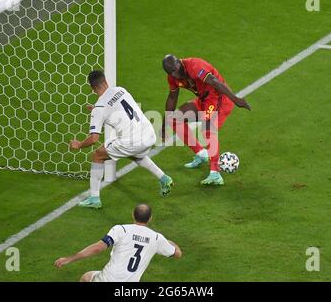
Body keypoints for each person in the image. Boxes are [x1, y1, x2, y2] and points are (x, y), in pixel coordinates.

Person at [70, 70, 173, 209]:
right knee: (134, 153)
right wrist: (96, 110)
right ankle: (164, 178)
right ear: (105, 81)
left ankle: (94, 198)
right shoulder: (120, 90)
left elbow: (94, 139)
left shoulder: (100, 108)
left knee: (97, 155)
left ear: (92, 89)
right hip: (149, 134)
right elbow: (117, 108)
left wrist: (79, 144)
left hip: (132, 141)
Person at [162, 54, 251, 186]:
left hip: (218, 98)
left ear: (179, 62)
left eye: (176, 69)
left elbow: (214, 81)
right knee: (175, 119)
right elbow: (172, 98)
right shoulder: (172, 77)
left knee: (207, 129)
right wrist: (164, 124)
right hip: (203, 100)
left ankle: (215, 174)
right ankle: (201, 154)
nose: (175, 74)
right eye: (171, 72)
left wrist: (236, 99)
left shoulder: (194, 65)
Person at [54, 203, 182, 282]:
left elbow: (97, 248)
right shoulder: (156, 238)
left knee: (86, 277)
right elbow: (177, 254)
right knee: (88, 276)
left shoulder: (121, 230)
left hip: (108, 279)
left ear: (133, 214)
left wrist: (69, 259)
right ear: (150, 218)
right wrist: (169, 241)